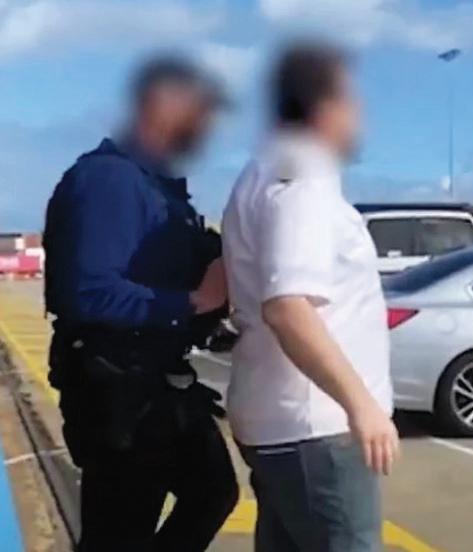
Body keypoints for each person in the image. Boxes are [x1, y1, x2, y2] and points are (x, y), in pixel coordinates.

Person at [43, 57, 239, 552]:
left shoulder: (159, 187)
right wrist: (193, 301)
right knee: (120, 532)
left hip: (156, 378)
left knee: (211, 491)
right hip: (117, 384)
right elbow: (88, 291)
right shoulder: (110, 180)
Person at [222, 42, 399, 552]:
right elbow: (287, 306)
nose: (360, 116)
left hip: (283, 425)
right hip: (317, 430)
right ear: (324, 107)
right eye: (353, 102)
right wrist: (361, 405)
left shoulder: (262, 171)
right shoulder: (306, 171)